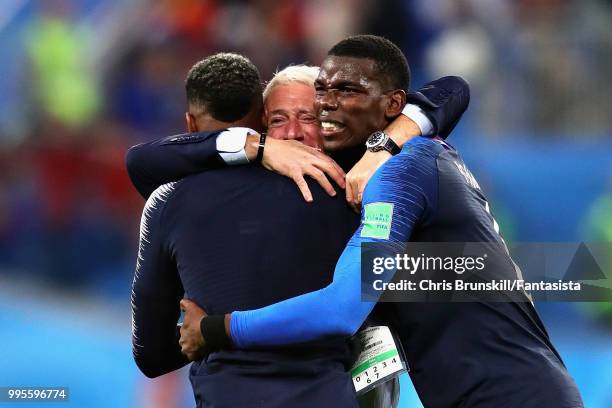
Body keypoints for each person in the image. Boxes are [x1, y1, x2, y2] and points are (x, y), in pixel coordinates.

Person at [180, 35, 584, 407]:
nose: (326, 103)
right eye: (322, 89)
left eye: (347, 90)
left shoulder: (398, 172)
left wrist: (216, 329)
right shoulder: (417, 157)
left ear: (393, 106)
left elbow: (340, 309)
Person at [128, 52, 469, 407]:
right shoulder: (353, 196)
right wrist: (260, 148)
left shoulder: (360, 188)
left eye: (308, 118)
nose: (291, 133)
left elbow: (453, 89)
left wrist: (207, 332)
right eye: (278, 120)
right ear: (262, 126)